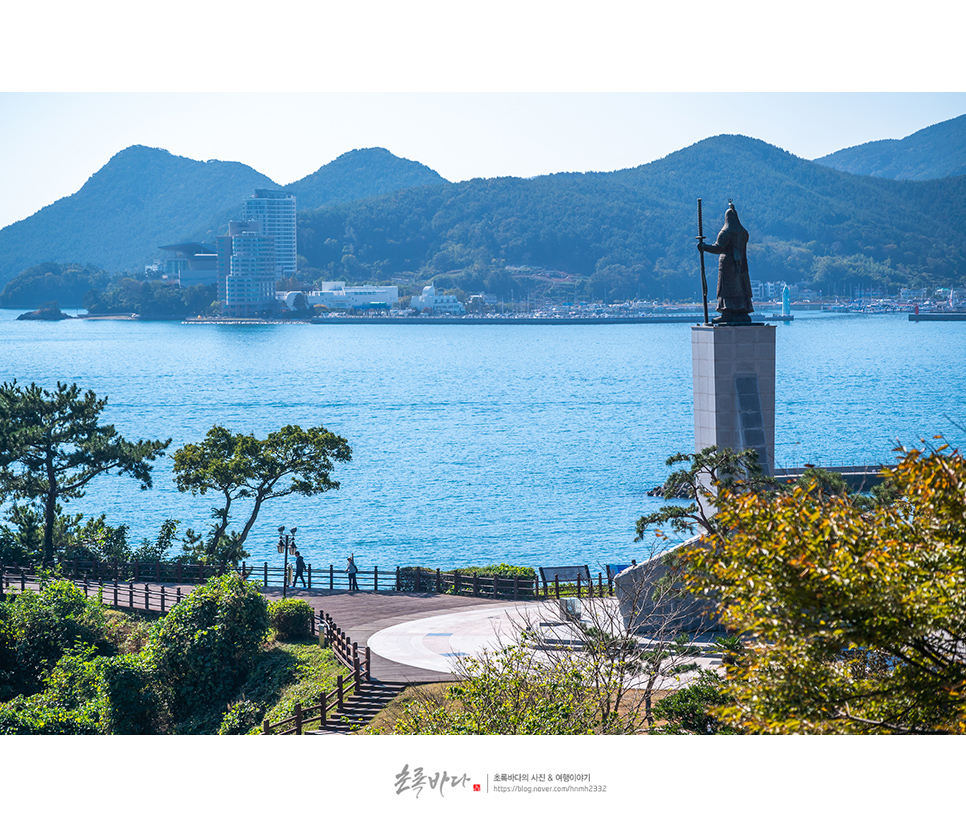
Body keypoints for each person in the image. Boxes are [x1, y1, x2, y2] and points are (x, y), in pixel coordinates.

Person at [697, 201, 754, 324]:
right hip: (742, 266)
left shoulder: (726, 232)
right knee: (741, 288)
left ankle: (727, 312)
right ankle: (742, 312)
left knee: (725, 289)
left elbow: (719, 248)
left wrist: (703, 247)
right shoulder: (744, 233)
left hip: (727, 266)